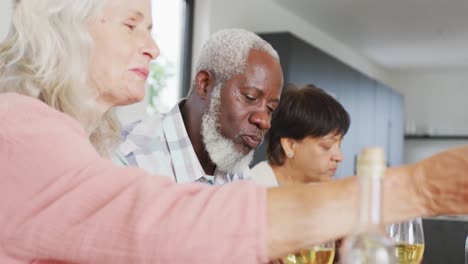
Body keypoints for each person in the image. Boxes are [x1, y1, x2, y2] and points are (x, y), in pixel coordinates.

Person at [2, 0, 468, 263]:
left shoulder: (231, 170)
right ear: (61, 26)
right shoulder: (19, 133)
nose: (154, 47)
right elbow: (164, 229)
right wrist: (417, 188)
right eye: (131, 24)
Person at [116, 28, 282, 185]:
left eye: (270, 109)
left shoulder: (238, 171)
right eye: (250, 97)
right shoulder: (128, 158)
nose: (264, 121)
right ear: (205, 84)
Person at [251, 84, 350, 187]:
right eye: (326, 146)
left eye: (339, 145)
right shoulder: (251, 190)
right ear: (290, 145)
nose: (339, 157)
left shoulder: (321, 190)